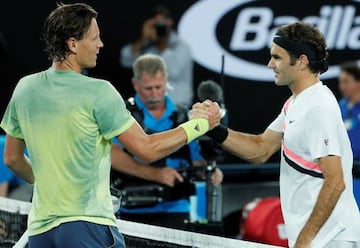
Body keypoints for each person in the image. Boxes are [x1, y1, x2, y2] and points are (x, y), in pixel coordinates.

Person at [0, 3, 220, 248]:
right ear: (73, 44)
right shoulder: (99, 92)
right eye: (94, 38)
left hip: (41, 232)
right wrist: (200, 125)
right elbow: (146, 150)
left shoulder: (25, 88)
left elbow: (11, 159)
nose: (100, 44)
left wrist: (47, 182)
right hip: (87, 227)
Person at [191, 21, 360, 248]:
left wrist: (305, 240)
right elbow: (261, 148)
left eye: (277, 57)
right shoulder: (296, 103)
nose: (270, 64)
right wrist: (215, 130)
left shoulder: (318, 108)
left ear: (301, 61)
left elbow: (335, 181)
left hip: (331, 239)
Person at [111, 54, 223, 230]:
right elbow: (112, 155)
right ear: (135, 84)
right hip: (131, 207)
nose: (155, 94)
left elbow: (197, 161)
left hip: (175, 208)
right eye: (148, 89)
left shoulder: (185, 117)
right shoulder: (122, 114)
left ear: (166, 81)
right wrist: (154, 174)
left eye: (159, 87)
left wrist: (209, 172)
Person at [120, 5, 194, 107]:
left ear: (170, 22)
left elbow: (172, 71)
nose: (160, 28)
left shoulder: (181, 47)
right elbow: (126, 60)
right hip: (150, 106)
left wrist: (162, 44)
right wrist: (143, 39)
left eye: (162, 24)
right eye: (156, 25)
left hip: (178, 107)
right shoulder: (149, 48)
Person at [338, 61, 360, 161]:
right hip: (345, 167)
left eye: (346, 82)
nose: (342, 86)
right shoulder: (339, 106)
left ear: (358, 81)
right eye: (340, 82)